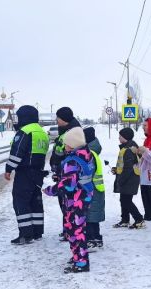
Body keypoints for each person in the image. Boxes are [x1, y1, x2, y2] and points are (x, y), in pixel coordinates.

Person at [43, 127, 94, 273]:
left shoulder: (72, 161)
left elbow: (69, 185)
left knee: (75, 231)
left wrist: (50, 190)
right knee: (76, 229)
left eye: (66, 144)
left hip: (76, 199)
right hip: (85, 195)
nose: (64, 146)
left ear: (73, 144)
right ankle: (78, 257)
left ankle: (81, 263)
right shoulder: (86, 154)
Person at [5, 105, 49, 244]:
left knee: (21, 201)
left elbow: (17, 153)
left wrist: (9, 169)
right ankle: (37, 232)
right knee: (35, 202)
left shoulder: (25, 131)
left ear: (24, 117)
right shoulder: (42, 132)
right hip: (38, 173)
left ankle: (25, 234)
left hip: (24, 173)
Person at [51, 107, 81, 242]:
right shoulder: (66, 130)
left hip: (68, 174)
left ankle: (71, 232)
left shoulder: (72, 133)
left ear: (64, 119)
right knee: (64, 204)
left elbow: (68, 154)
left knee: (68, 204)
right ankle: (67, 230)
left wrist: (60, 169)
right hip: (62, 172)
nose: (56, 120)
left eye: (58, 118)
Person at [112, 127, 145, 229]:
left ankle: (139, 219)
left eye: (120, 136)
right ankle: (125, 220)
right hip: (128, 178)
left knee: (126, 200)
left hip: (129, 179)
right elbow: (124, 165)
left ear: (125, 137)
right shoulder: (128, 147)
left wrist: (121, 180)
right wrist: (117, 170)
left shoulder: (129, 149)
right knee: (124, 199)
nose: (119, 138)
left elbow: (128, 168)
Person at [83, 127, 105, 250]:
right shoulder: (92, 151)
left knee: (90, 216)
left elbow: (87, 172)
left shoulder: (89, 153)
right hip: (95, 188)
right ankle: (95, 238)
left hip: (92, 189)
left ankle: (93, 239)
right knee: (92, 216)